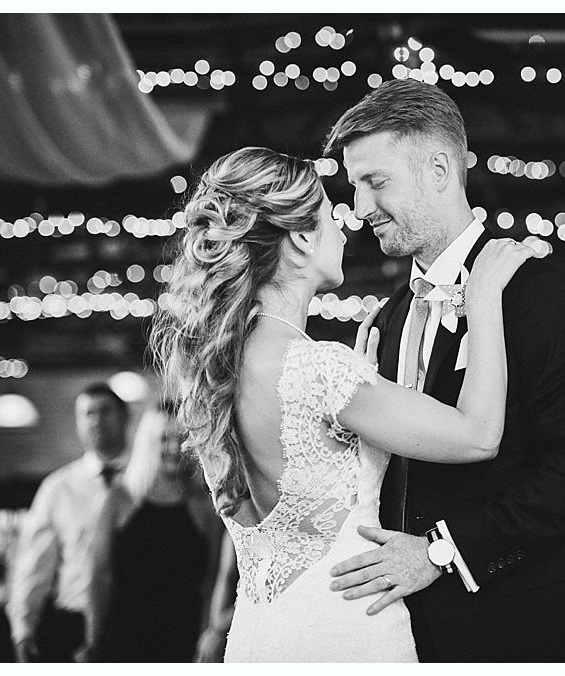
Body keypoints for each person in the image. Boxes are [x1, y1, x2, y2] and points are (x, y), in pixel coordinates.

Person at [150, 145, 538, 662]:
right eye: (331, 215)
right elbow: (479, 436)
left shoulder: (221, 368)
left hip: (258, 635)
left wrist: (357, 381)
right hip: (344, 629)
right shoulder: (319, 368)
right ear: (302, 237)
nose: (346, 226)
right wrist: (484, 298)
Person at [321, 78, 565, 662]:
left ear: (440, 170)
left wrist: (440, 552)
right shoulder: (389, 319)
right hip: (423, 637)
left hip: (539, 627)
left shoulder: (538, 294)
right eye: (354, 186)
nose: (361, 208)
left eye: (376, 182)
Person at [84, 400, 224, 662]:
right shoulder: (118, 500)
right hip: (122, 640)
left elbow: (212, 582)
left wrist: (206, 639)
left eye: (182, 439)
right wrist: (93, 641)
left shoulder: (204, 506)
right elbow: (99, 577)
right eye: (164, 439)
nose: (173, 448)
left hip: (182, 640)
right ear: (148, 443)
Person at [6, 382, 129, 662]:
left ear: (125, 417)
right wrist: (23, 629)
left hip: (134, 619)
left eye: (105, 411)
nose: (97, 421)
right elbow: (34, 564)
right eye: (88, 414)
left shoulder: (145, 481)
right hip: (73, 621)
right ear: (77, 424)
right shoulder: (58, 488)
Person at [194, 531, 239, 663]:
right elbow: (225, 577)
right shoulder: (229, 533)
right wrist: (214, 629)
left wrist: (219, 628)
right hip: (223, 619)